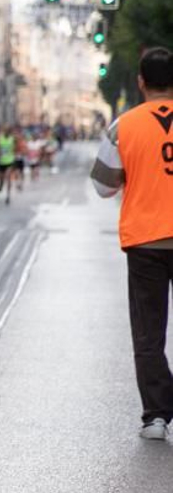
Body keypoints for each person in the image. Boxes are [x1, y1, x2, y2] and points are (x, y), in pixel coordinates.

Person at [91, 47, 173, 442]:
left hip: (146, 241)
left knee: (148, 332)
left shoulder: (124, 126)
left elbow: (102, 186)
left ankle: (156, 417)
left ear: (140, 81)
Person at [0, 123, 20, 204]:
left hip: (10, 160)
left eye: (8, 130)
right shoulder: (0, 138)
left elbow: (17, 146)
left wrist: (16, 153)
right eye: (5, 130)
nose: (6, 131)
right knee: (1, 178)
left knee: (8, 177)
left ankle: (8, 195)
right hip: (1, 161)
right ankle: (0, 185)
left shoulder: (12, 138)